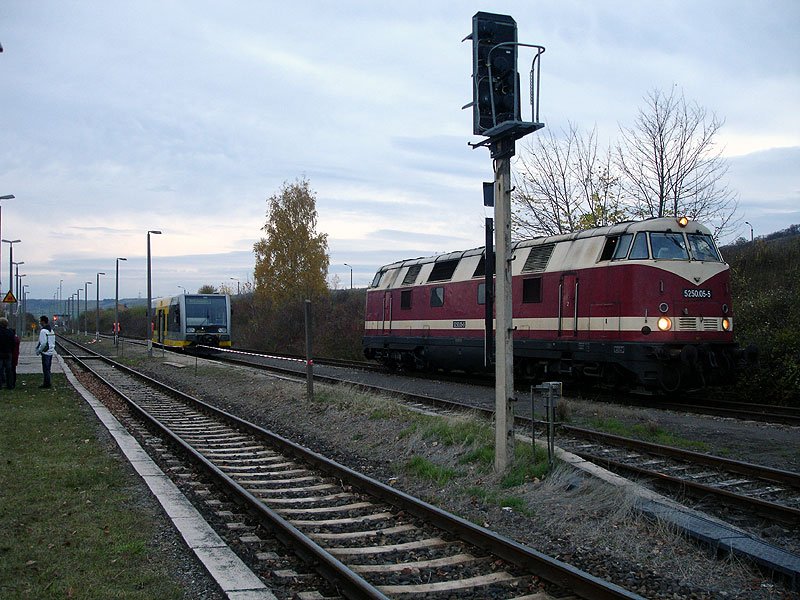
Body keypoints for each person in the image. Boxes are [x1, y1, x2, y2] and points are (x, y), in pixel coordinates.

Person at [35, 315, 56, 389]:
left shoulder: (43, 331)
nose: (39, 322)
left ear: (43, 322)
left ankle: (46, 383)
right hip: (50, 351)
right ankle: (48, 382)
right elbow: (53, 341)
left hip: (45, 352)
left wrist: (39, 350)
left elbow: (43, 343)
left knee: (45, 369)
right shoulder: (51, 330)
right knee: (48, 368)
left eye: (40, 321)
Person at [0, 318, 15, 389]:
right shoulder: (10, 332)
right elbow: (13, 342)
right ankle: (10, 384)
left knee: (0, 369)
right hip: (8, 353)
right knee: (9, 369)